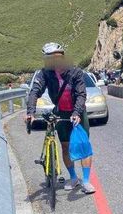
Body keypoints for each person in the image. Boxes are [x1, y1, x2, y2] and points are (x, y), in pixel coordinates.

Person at [25, 42, 96, 194]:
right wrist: (30, 112)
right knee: (65, 146)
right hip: (60, 112)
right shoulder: (45, 73)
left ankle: (86, 181)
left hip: (78, 112)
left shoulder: (75, 71)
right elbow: (35, 91)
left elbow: (81, 94)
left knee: (84, 146)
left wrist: (76, 113)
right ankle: (73, 177)